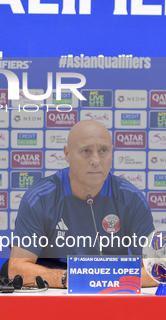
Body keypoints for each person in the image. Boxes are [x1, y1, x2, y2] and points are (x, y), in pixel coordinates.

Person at [8, 120, 157, 288]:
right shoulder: (41, 198)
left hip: (110, 296)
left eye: (103, 151)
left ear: (112, 152)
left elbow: (155, 271)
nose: (95, 160)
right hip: (55, 295)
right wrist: (69, 279)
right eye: (86, 151)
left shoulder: (131, 199)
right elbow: (17, 270)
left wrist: (103, 280)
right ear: (67, 154)